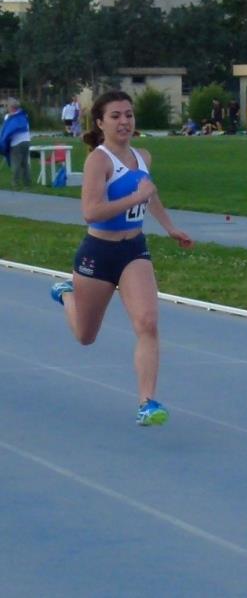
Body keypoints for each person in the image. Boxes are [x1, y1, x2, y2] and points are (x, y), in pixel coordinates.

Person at [49, 91, 194, 426]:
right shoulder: (98, 161)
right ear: (100, 123)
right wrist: (134, 197)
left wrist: (170, 227)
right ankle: (66, 294)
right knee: (85, 336)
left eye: (128, 114)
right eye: (115, 116)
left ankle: (147, 403)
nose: (124, 121)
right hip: (98, 254)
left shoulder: (143, 156)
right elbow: (91, 212)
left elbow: (149, 195)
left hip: (133, 251)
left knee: (148, 323)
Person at [1, 98, 32, 189]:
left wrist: (4, 142)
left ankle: (15, 183)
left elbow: (7, 131)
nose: (6, 108)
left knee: (16, 164)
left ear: (11, 107)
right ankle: (27, 184)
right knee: (25, 164)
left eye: (7, 106)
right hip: (26, 141)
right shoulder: (24, 115)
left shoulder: (8, 117)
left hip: (16, 143)